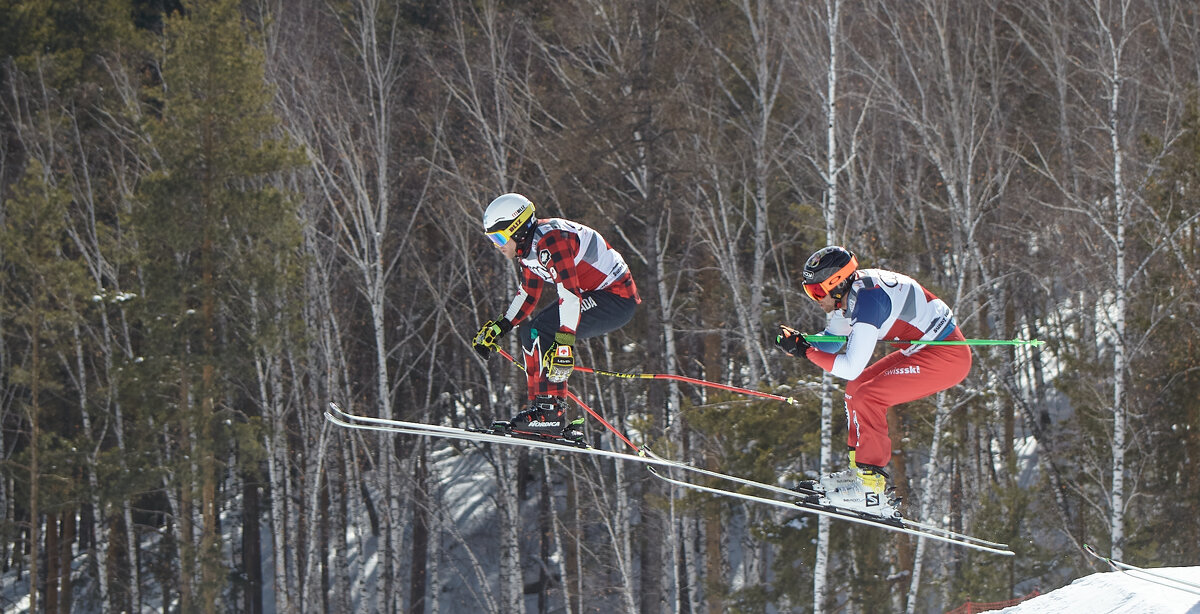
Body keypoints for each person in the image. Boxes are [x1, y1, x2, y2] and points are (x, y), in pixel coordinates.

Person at [775, 245, 971, 518]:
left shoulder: (868, 302)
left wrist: (805, 351)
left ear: (836, 283)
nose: (815, 299)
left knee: (869, 396)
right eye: (809, 292)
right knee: (856, 391)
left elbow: (851, 367)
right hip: (923, 350)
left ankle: (870, 489)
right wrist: (803, 342)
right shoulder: (850, 294)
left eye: (818, 291)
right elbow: (832, 344)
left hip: (947, 357)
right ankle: (860, 474)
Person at [472, 193, 640, 442]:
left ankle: (550, 412)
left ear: (516, 229)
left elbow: (570, 296)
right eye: (492, 240)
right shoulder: (528, 248)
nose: (497, 245)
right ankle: (545, 410)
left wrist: (564, 346)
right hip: (593, 293)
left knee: (543, 331)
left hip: (615, 298)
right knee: (530, 333)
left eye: (498, 237)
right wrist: (500, 327)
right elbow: (528, 293)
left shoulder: (551, 241)